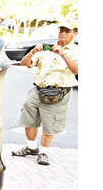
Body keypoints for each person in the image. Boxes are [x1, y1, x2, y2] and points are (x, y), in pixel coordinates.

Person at [11, 22, 79, 165]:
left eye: (67, 30)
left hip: (60, 92)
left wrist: (63, 54)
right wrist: (33, 52)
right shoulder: (45, 49)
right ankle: (31, 148)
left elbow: (76, 70)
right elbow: (24, 63)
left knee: (50, 124)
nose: (63, 32)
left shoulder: (77, 51)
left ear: (75, 33)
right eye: (61, 29)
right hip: (38, 89)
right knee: (28, 119)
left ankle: (44, 152)